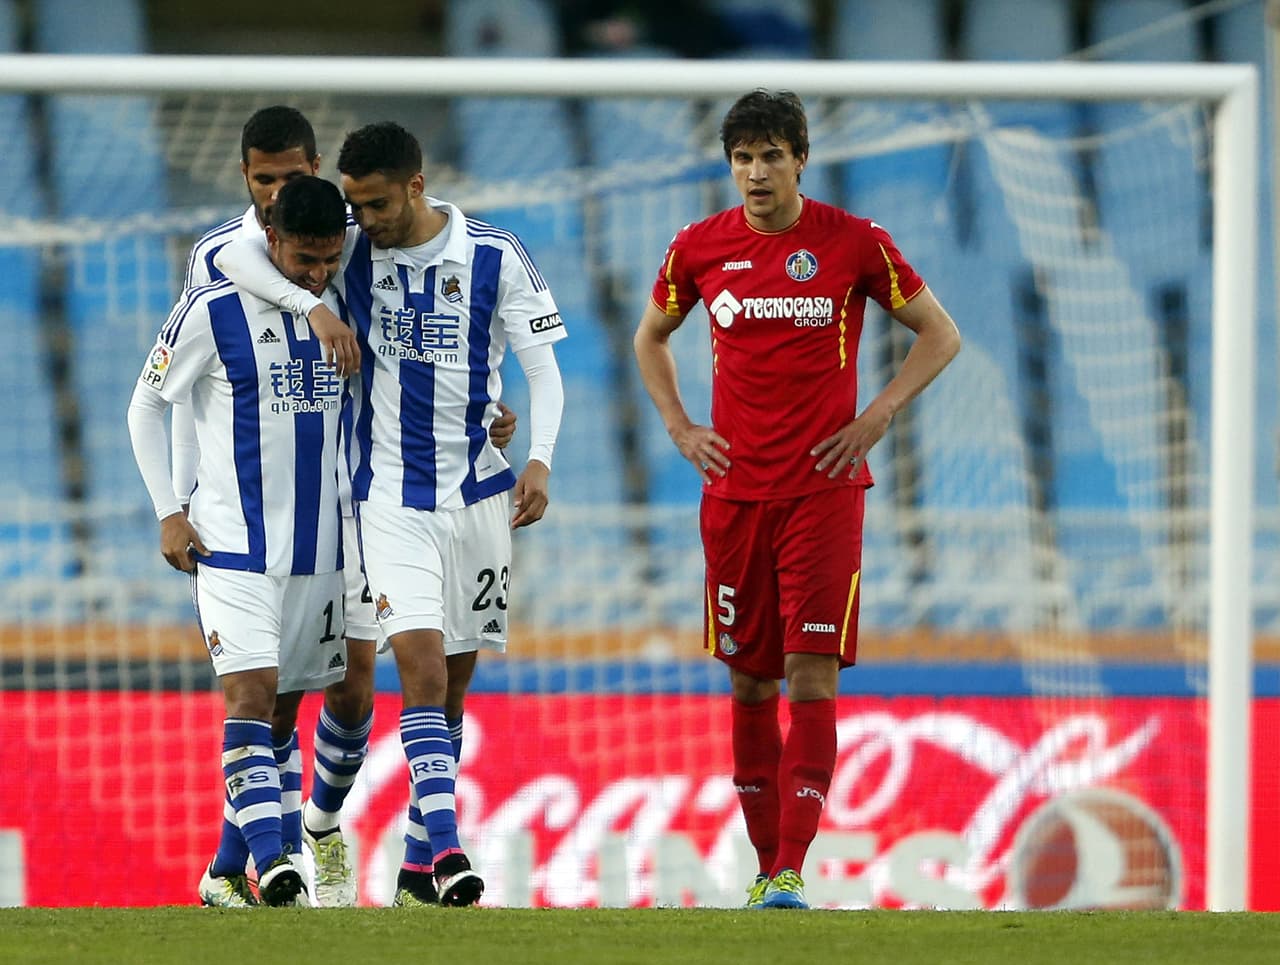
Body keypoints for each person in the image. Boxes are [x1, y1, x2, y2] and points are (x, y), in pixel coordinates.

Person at [215, 120, 567, 908]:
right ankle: (448, 854)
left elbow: (543, 369)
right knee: (418, 670)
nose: (362, 221)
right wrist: (313, 310)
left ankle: (406, 867)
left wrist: (537, 455)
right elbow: (240, 254)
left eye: (375, 205)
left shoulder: (495, 255)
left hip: (480, 495)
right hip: (385, 498)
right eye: (355, 206)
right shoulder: (350, 250)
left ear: (415, 186)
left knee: (453, 691)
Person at [632, 89, 961, 910]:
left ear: (800, 160)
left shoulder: (853, 241)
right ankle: (762, 867)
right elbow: (650, 337)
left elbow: (941, 333)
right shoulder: (697, 247)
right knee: (750, 683)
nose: (756, 173)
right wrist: (679, 426)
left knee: (810, 674)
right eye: (742, 158)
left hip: (823, 492)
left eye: (771, 156)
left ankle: (790, 870)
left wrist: (879, 414)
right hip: (735, 496)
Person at [128, 175, 356, 907]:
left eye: (329, 258)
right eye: (304, 259)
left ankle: (224, 873)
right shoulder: (212, 310)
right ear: (272, 240)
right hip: (231, 546)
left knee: (284, 713)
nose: (317, 273)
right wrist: (169, 509)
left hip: (320, 554)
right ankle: (277, 860)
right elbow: (145, 405)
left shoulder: (346, 304)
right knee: (249, 696)